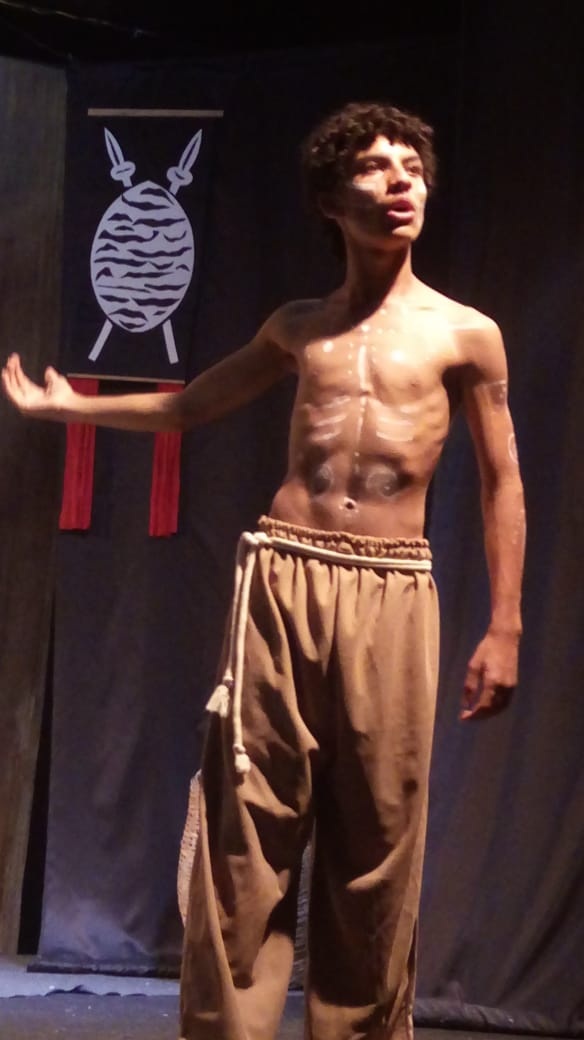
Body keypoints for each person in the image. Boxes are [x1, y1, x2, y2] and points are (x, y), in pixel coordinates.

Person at [2, 100, 525, 1040]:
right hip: (282, 581)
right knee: (246, 829)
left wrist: (506, 625)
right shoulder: (299, 328)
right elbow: (187, 407)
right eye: (375, 167)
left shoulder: (465, 334)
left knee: (378, 839)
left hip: (392, 590)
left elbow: (502, 482)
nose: (401, 182)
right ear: (330, 199)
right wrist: (70, 407)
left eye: (413, 167)